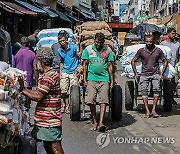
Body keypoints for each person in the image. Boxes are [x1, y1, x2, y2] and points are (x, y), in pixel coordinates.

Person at [18, 47, 64, 154]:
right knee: (48, 146)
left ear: (41, 62)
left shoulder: (49, 76)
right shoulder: (47, 75)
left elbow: (38, 96)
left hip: (50, 120)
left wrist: (23, 90)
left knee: (55, 146)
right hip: (44, 119)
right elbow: (39, 92)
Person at [81, 32, 115, 132]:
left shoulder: (108, 50)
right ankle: (95, 121)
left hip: (104, 79)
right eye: (97, 42)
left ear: (104, 41)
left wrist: (112, 80)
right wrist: (84, 79)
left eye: (100, 42)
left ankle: (101, 122)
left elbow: (110, 66)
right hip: (91, 78)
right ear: (94, 41)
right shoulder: (88, 49)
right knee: (90, 100)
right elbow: (85, 65)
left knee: (103, 101)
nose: (98, 44)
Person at [131, 34, 168, 118]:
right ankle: (147, 111)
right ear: (144, 41)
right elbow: (133, 60)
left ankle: (154, 110)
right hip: (144, 74)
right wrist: (136, 73)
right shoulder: (141, 51)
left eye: (150, 41)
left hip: (155, 74)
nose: (149, 43)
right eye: (147, 41)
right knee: (144, 92)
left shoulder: (158, 50)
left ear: (154, 41)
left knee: (156, 90)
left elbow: (165, 61)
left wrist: (162, 74)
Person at [58, 30, 79, 113]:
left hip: (73, 71)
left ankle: (69, 106)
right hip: (65, 71)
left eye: (63, 41)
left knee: (72, 91)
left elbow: (79, 57)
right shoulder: (60, 51)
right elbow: (62, 61)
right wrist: (60, 72)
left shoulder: (73, 48)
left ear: (66, 40)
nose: (62, 42)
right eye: (60, 41)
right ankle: (64, 104)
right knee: (63, 90)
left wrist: (79, 68)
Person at [160, 28, 180, 105]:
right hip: (164, 66)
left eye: (174, 33)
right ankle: (167, 98)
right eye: (172, 33)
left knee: (174, 83)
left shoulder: (177, 44)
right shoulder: (162, 44)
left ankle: (170, 97)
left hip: (174, 66)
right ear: (168, 34)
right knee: (165, 83)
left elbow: (178, 55)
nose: (174, 35)